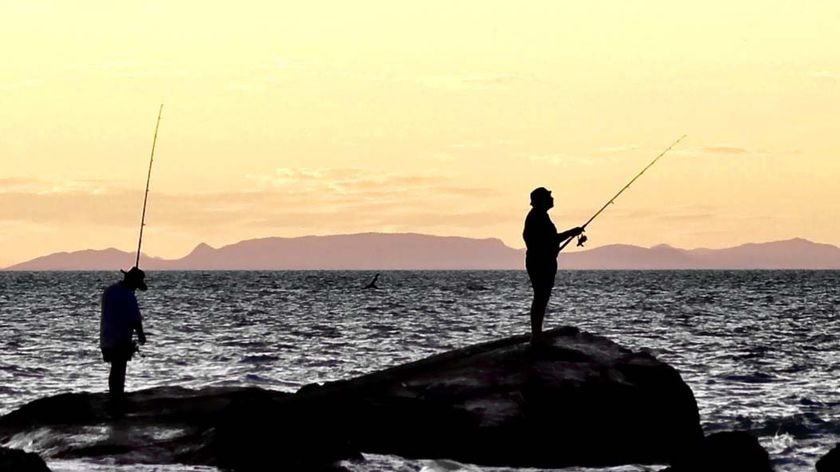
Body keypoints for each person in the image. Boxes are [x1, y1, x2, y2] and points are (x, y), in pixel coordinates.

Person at [523, 187, 583, 344]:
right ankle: (536, 336)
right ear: (541, 200)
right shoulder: (538, 217)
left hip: (541, 261)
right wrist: (572, 232)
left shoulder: (539, 216)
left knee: (541, 297)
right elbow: (551, 239)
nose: (552, 198)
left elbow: (549, 240)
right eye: (549, 196)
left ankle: (537, 334)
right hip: (540, 263)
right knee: (540, 297)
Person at [100, 266, 148, 401]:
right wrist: (141, 336)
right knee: (119, 370)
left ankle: (113, 396)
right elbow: (135, 320)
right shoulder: (128, 296)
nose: (136, 289)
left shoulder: (109, 291)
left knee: (114, 369)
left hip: (106, 337)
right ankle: (117, 398)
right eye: (136, 285)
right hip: (120, 339)